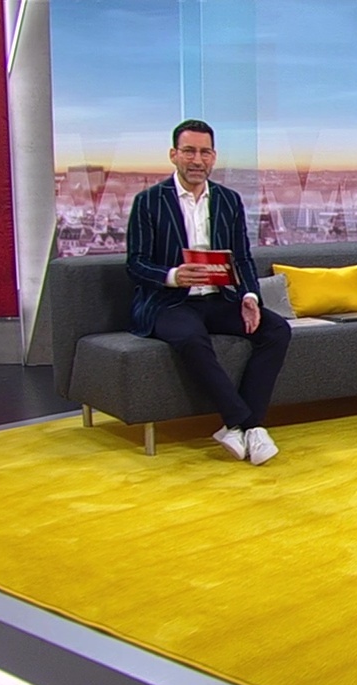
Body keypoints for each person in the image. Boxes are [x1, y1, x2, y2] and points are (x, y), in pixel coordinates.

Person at [125, 119, 292, 465]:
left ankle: (241, 428)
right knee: (190, 337)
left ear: (214, 157)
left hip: (219, 298)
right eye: (189, 151)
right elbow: (135, 264)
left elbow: (242, 258)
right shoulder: (149, 201)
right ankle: (247, 423)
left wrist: (249, 297)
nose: (197, 160)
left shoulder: (229, 201)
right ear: (173, 155)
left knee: (276, 329)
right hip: (169, 302)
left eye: (204, 152)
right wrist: (173, 276)